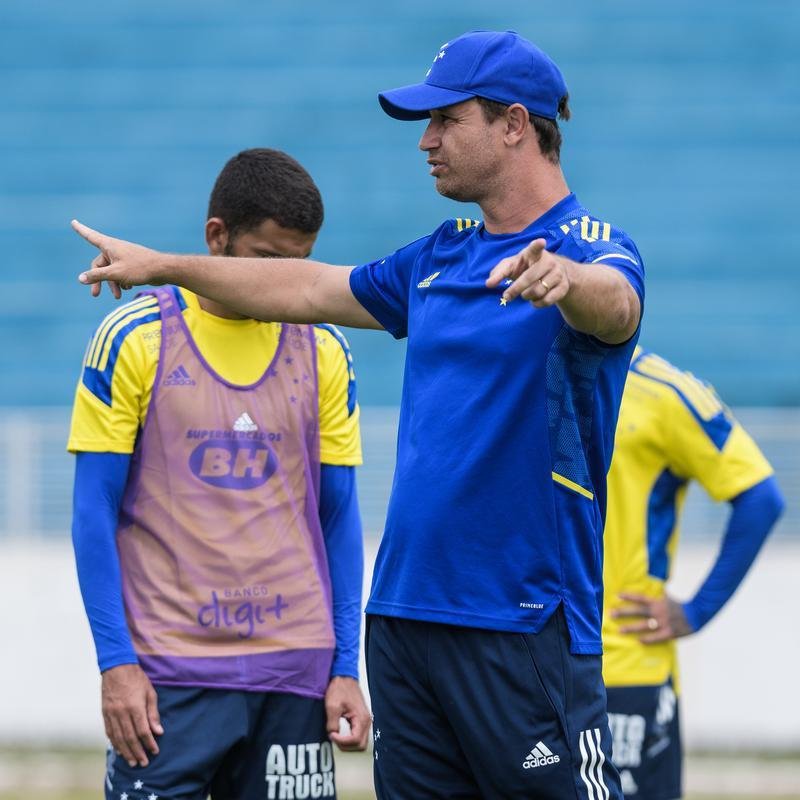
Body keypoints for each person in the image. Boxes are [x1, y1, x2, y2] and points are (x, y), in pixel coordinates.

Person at [73, 30, 645, 799]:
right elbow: (304, 290)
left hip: (522, 622)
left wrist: (567, 281)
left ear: (515, 123)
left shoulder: (592, 249)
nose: (427, 141)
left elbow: (618, 308)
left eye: (446, 120)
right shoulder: (438, 257)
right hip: (403, 622)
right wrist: (162, 265)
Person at [68, 148, 371, 800]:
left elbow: (341, 516)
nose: (286, 281)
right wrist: (116, 663)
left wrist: (346, 666)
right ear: (216, 236)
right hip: (170, 676)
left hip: (295, 676)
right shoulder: (134, 336)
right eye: (269, 260)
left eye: (301, 262)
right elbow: (92, 510)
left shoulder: (324, 347)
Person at [602, 346, 784, 800]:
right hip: (528, 660)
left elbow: (760, 499)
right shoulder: (527, 374)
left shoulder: (665, 393)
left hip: (626, 670)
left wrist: (698, 610)